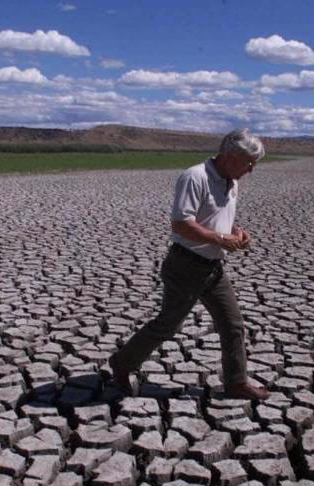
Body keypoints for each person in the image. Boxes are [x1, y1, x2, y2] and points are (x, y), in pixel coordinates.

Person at [108, 128, 271, 401]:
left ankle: (236, 383)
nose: (251, 170)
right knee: (166, 326)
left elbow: (218, 218)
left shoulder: (231, 181)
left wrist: (237, 232)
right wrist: (220, 238)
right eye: (248, 163)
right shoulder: (195, 177)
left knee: (233, 325)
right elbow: (181, 223)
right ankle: (121, 364)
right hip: (185, 267)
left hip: (213, 268)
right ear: (230, 156)